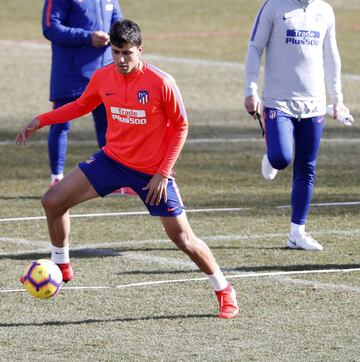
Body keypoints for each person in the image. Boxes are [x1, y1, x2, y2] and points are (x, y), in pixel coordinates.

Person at [17, 19, 239, 319]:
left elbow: (181, 126)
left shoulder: (161, 83)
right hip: (112, 161)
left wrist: (163, 172)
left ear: (140, 51)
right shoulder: (102, 77)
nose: (121, 60)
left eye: (128, 53)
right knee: (52, 202)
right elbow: (81, 105)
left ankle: (224, 289)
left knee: (183, 239)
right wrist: (41, 120)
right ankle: (61, 264)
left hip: (151, 173)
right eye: (116, 51)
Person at [244, 0, 352, 251]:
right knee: (281, 158)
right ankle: (271, 156)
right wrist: (251, 90)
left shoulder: (325, 12)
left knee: (307, 167)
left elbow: (331, 58)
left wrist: (337, 101)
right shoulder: (275, 7)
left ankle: (297, 232)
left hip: (314, 104)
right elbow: (255, 49)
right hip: (278, 101)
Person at [42, 0, 134, 196]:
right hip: (70, 71)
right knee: (61, 123)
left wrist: (123, 39)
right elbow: (50, 27)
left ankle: (115, 178)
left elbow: (117, 16)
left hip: (104, 70)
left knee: (109, 124)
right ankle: (56, 178)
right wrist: (87, 38)